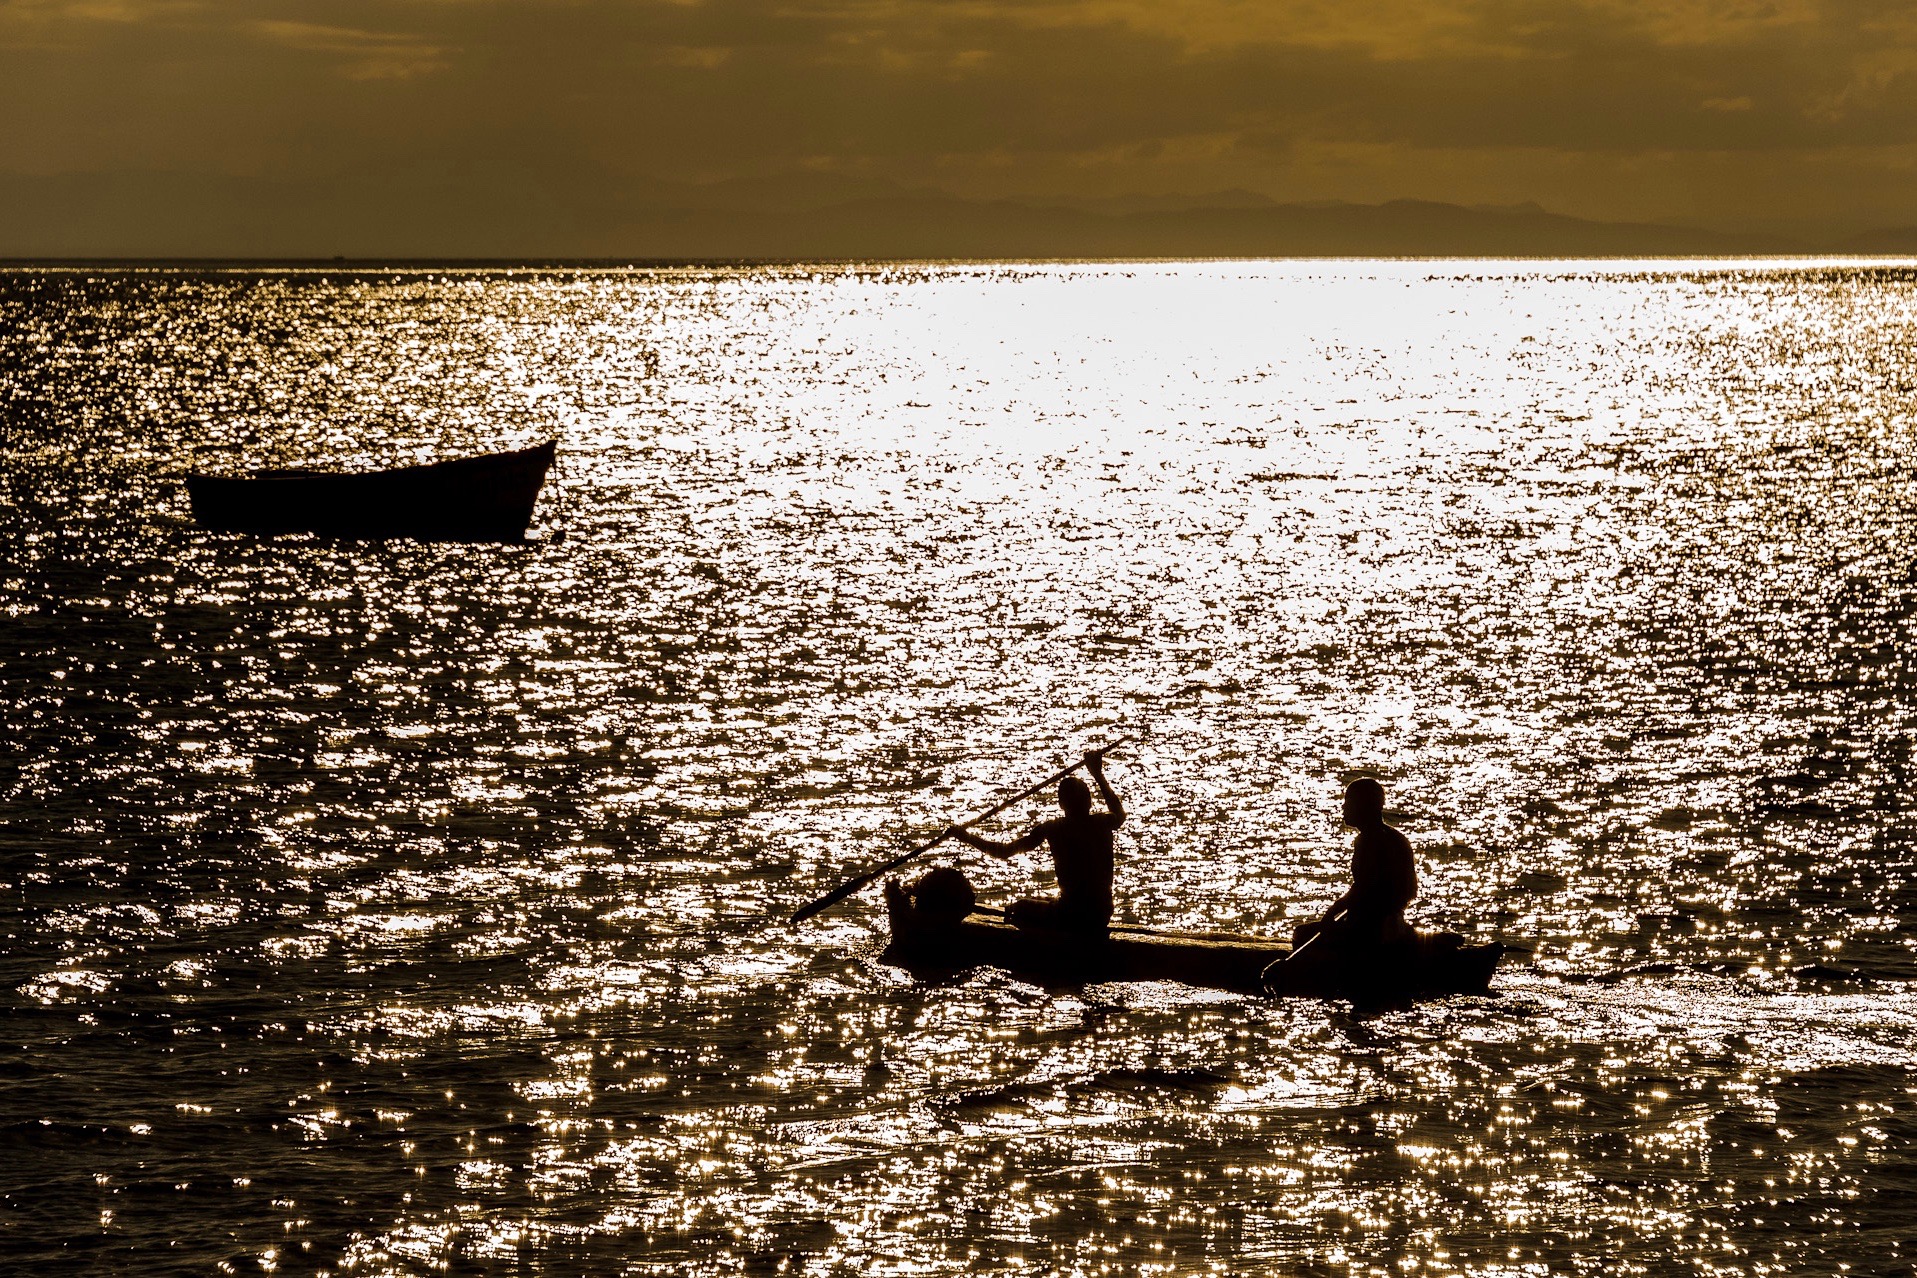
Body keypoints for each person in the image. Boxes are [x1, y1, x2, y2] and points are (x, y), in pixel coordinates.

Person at [949, 751, 1124, 933]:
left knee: (1019, 906)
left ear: (1062, 804)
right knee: (1045, 899)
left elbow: (1005, 852)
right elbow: (1119, 812)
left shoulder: (1053, 828)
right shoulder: (1104, 821)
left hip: (1071, 913)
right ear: (1089, 802)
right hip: (1101, 913)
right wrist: (1097, 774)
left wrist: (965, 837)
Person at [1295, 777, 1417, 951]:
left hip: (1374, 927)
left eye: (1348, 802)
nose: (1343, 808)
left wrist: (1332, 912)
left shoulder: (1369, 841)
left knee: (1302, 934)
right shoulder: (1395, 837)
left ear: (1363, 805)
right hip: (1389, 921)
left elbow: (1364, 889)